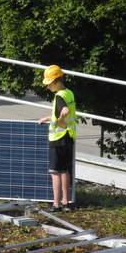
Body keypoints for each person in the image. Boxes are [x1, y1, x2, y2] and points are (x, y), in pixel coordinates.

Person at [37, 65, 77, 212]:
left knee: (55, 172)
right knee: (64, 170)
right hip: (68, 137)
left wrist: (60, 119)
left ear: (56, 80)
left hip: (58, 138)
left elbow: (64, 111)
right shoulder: (69, 93)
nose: (47, 86)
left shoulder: (59, 95)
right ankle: (66, 201)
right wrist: (49, 118)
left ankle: (56, 204)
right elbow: (66, 110)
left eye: (49, 83)